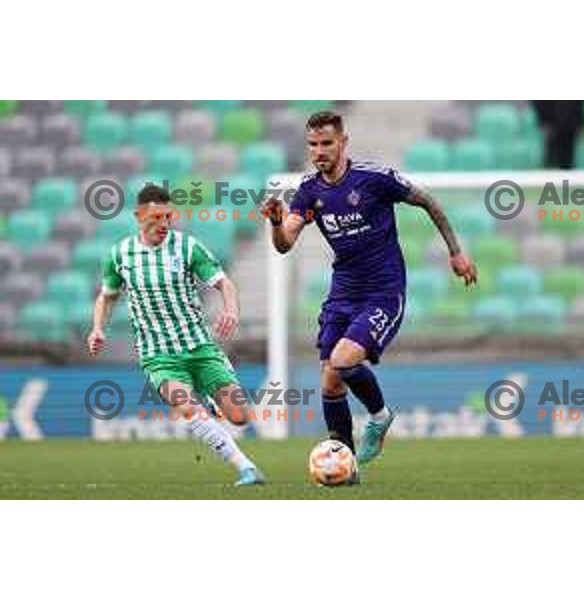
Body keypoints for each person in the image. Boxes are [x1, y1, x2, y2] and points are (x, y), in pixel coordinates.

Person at [262, 111, 477, 472]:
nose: (319, 151)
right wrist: (274, 222)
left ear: (343, 142)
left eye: (327, 143)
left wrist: (456, 252)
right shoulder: (309, 191)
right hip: (342, 293)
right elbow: (285, 244)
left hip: (383, 291)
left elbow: (428, 201)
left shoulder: (374, 179)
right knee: (330, 381)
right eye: (312, 145)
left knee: (344, 361)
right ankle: (344, 467)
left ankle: (379, 416)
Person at [87, 184, 265, 486]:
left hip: (199, 347)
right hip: (159, 356)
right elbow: (107, 296)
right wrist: (98, 328)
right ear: (139, 215)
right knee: (186, 405)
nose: (165, 223)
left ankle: (211, 397)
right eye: (157, 216)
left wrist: (231, 310)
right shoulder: (119, 255)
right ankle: (246, 468)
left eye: (169, 215)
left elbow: (224, 283)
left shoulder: (187, 247)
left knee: (240, 416)